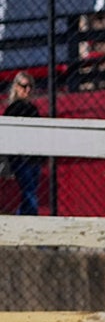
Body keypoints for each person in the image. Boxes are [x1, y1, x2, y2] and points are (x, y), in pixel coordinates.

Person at [4, 71, 43, 215]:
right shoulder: (13, 109)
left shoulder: (32, 108)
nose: (28, 90)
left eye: (30, 86)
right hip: (21, 159)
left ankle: (22, 220)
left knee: (29, 193)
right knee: (29, 193)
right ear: (16, 87)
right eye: (24, 86)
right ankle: (30, 220)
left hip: (32, 158)